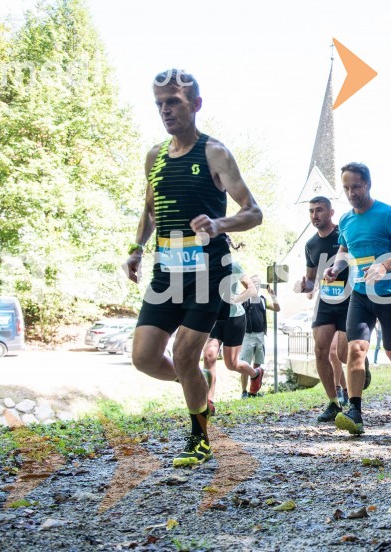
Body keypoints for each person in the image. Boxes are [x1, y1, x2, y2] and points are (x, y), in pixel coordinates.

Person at [124, 69, 261, 467]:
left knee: (185, 355)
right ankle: (197, 389)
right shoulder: (154, 156)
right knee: (145, 357)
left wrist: (220, 223)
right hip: (166, 272)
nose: (166, 111)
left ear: (196, 105)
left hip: (208, 272)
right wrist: (136, 249)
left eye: (174, 103)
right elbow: (150, 210)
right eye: (160, 104)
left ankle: (199, 437)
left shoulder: (214, 152)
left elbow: (253, 212)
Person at [324, 162, 391, 435]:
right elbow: (344, 250)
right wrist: (336, 267)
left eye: (356, 186)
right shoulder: (345, 220)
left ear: (367, 184)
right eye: (346, 188)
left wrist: (385, 266)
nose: (351, 192)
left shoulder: (388, 214)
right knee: (355, 350)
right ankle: (355, 411)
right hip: (361, 293)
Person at [292, 196, 356, 423]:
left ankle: (360, 367)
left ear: (331, 212)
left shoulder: (344, 234)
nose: (314, 215)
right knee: (320, 351)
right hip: (326, 301)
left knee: (342, 353)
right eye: (311, 211)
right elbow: (311, 280)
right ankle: (334, 402)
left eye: (319, 210)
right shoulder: (310, 244)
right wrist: (303, 286)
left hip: (349, 299)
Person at [202, 251, 258, 410]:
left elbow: (251, 289)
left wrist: (236, 299)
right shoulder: (203, 264)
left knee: (231, 364)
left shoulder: (233, 265)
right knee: (209, 355)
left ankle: (255, 374)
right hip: (213, 318)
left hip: (234, 318)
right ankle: (209, 401)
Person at [239, 276, 280, 398]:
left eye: (258, 282)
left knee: (257, 365)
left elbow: (277, 309)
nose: (256, 285)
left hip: (260, 336)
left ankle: (253, 392)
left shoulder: (263, 300)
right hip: (247, 336)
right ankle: (244, 392)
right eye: (254, 282)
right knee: (245, 364)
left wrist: (273, 295)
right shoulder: (245, 299)